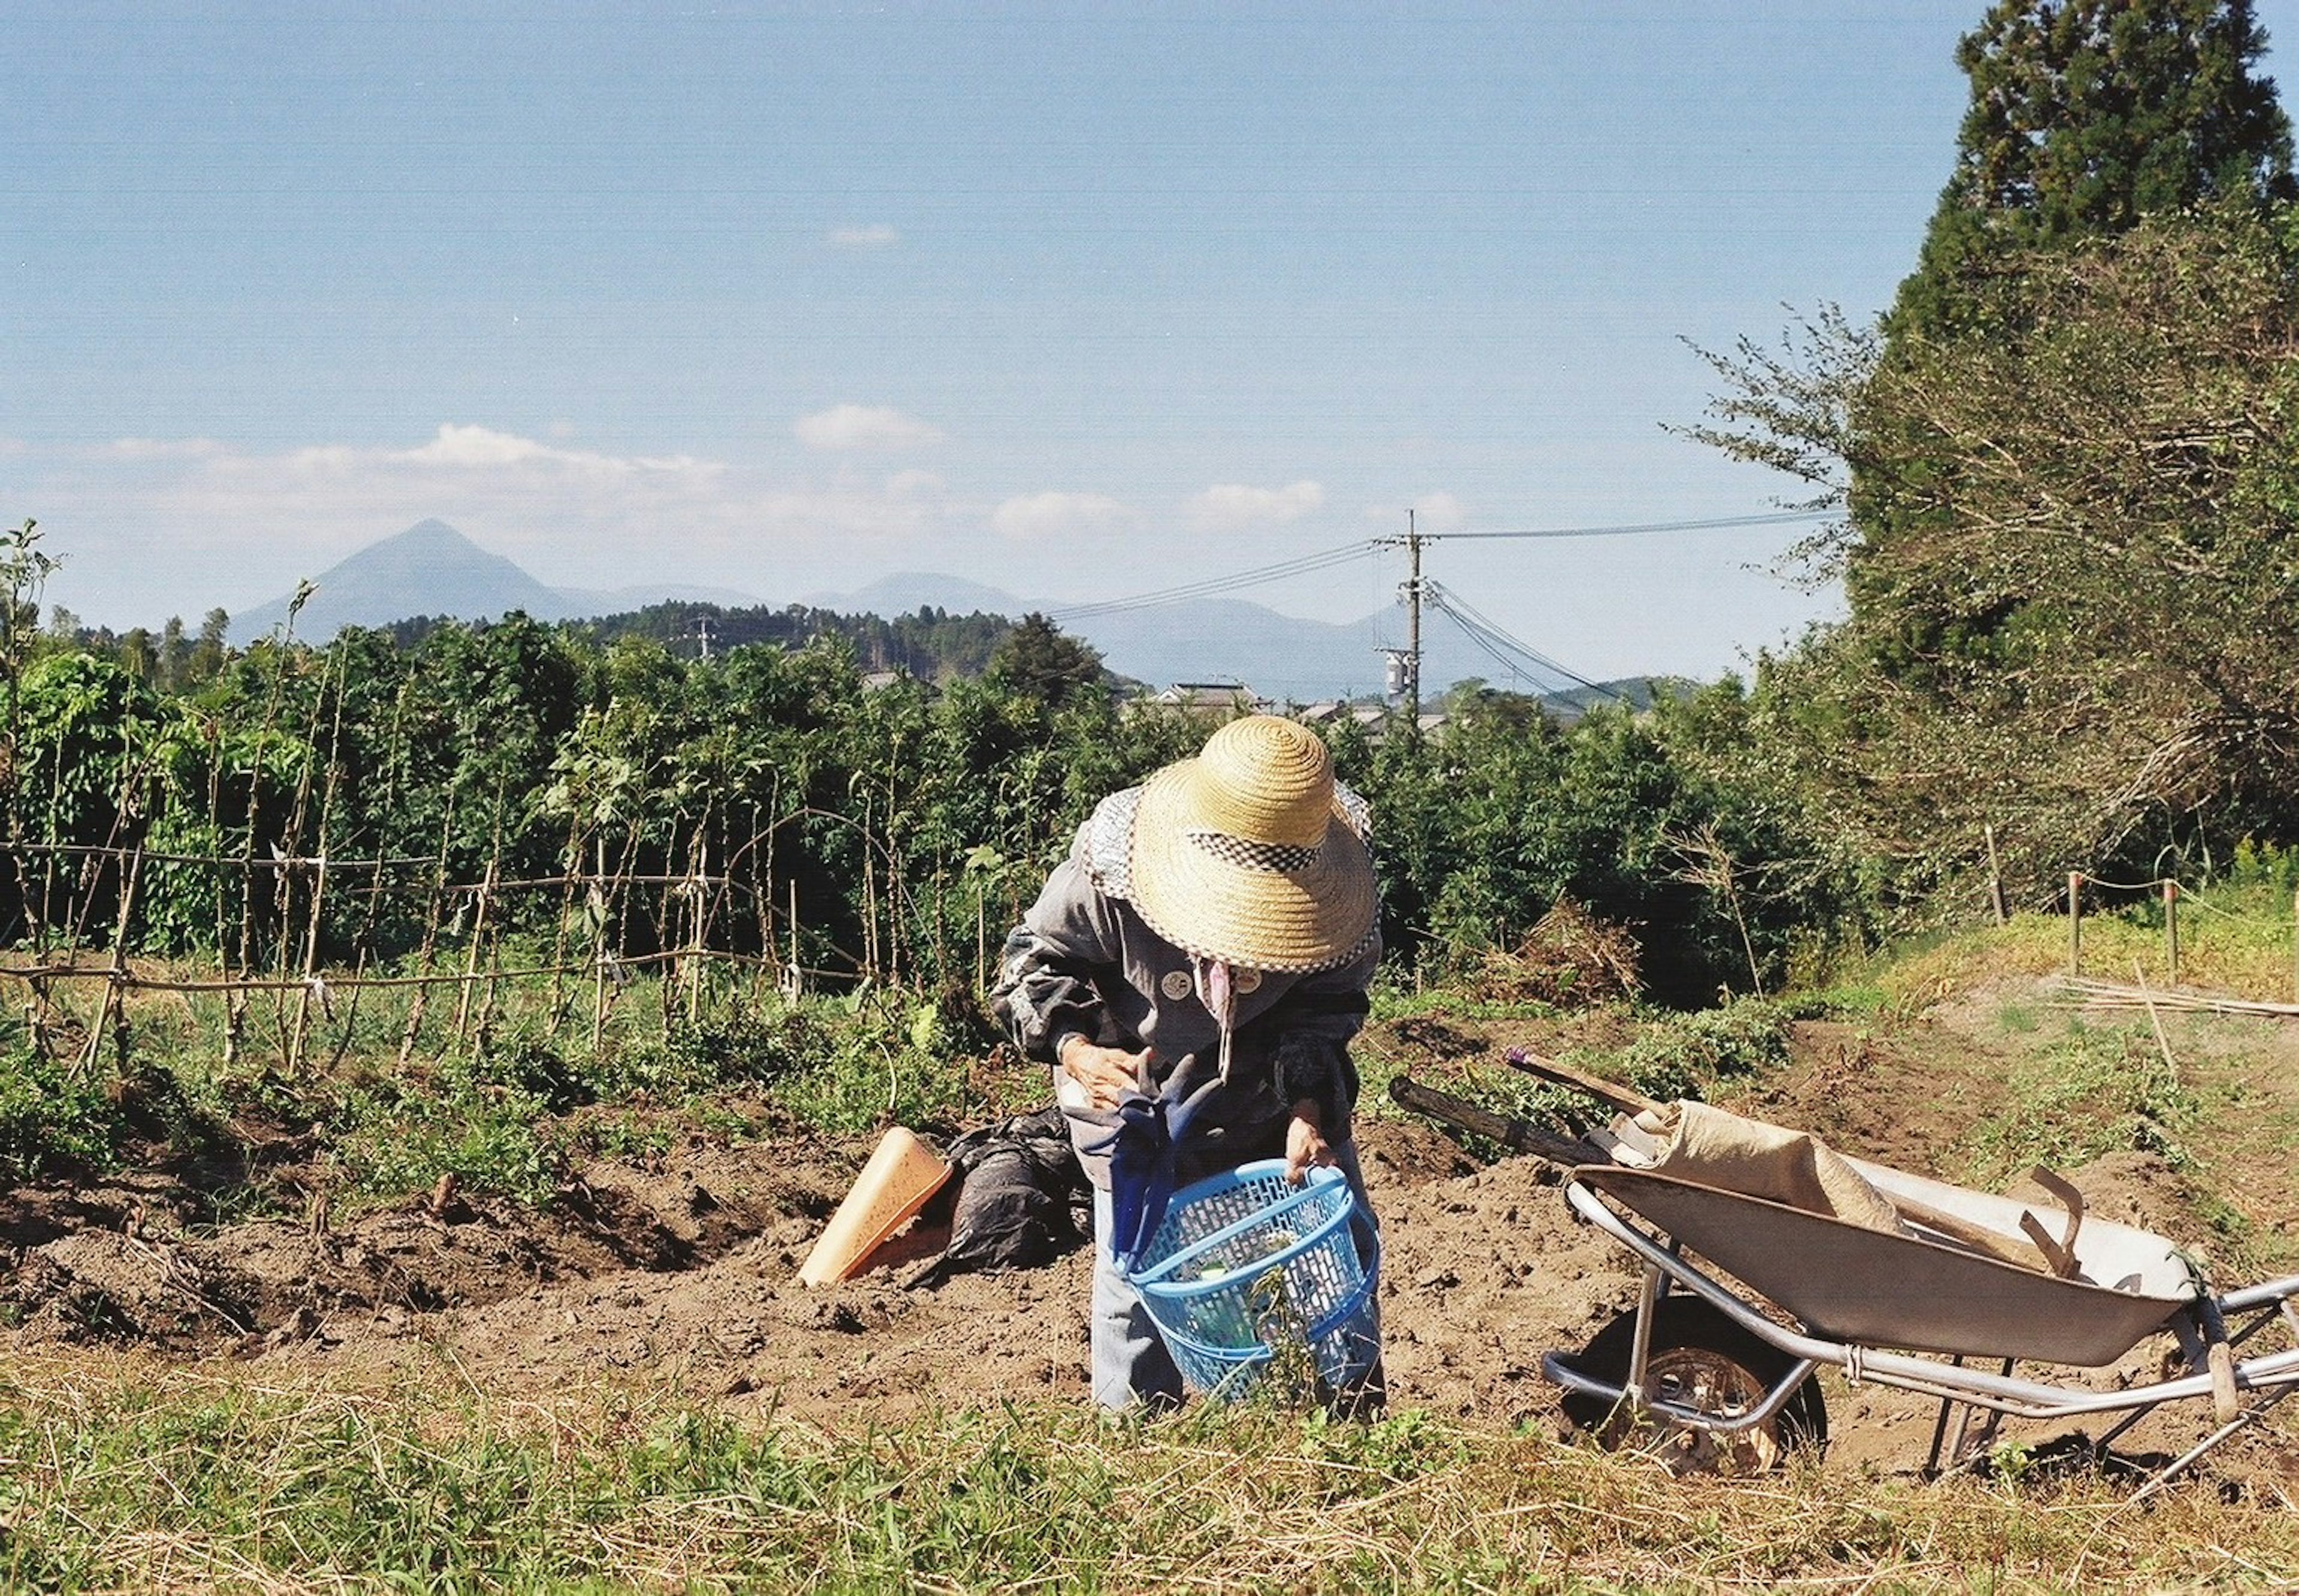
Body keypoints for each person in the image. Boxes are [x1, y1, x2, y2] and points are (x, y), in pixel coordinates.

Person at [990, 714, 1382, 1409]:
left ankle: (1344, 1423)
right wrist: (1078, 1051)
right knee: (1135, 1266)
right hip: (1133, 1099)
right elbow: (1031, 964)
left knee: (1340, 1244)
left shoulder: (1339, 905)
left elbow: (1324, 1012)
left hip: (1267, 1094)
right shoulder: (1113, 879)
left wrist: (1308, 1110)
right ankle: (1137, 1438)